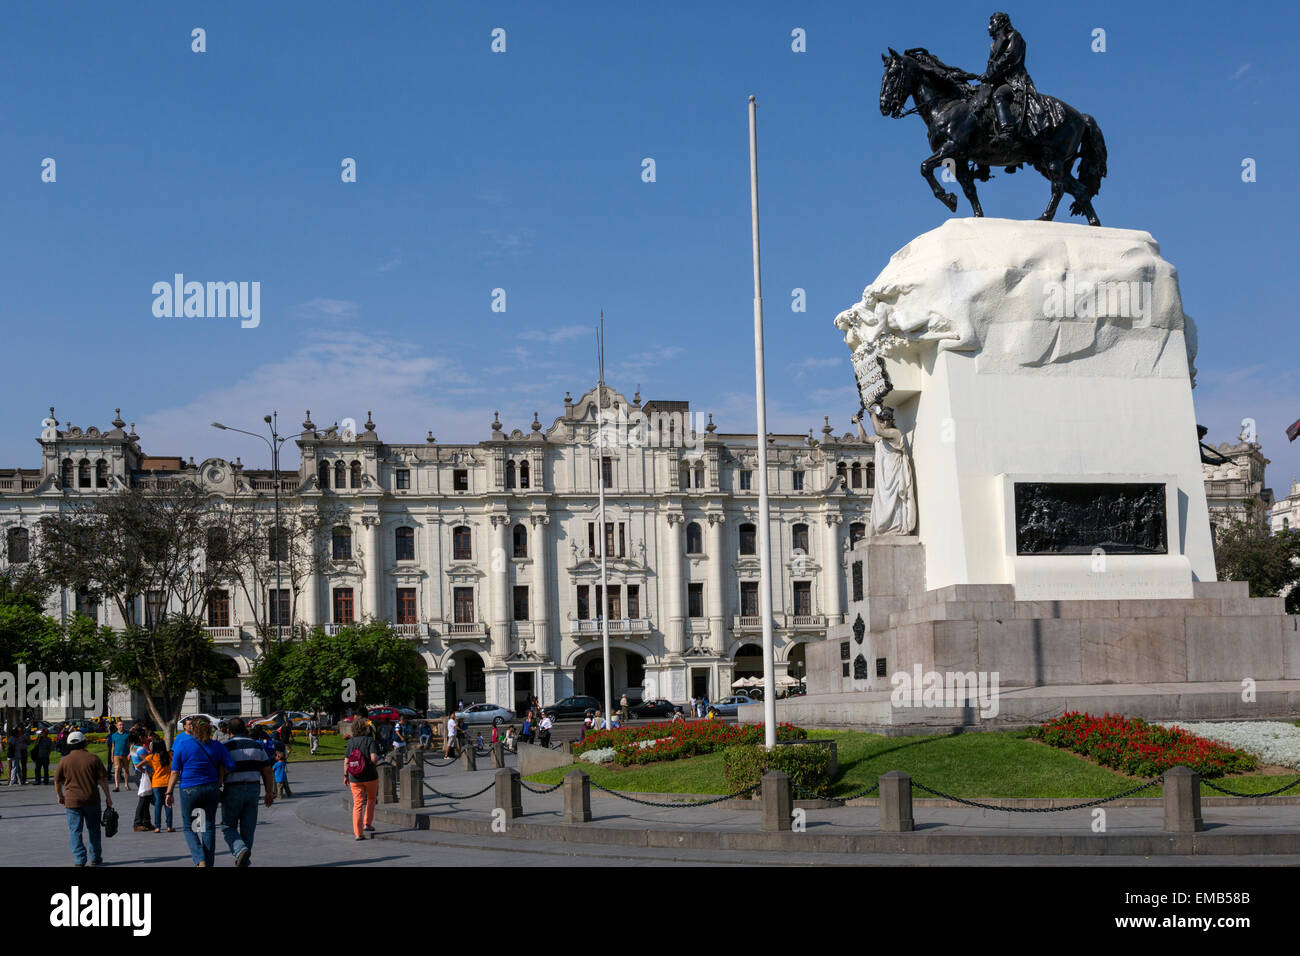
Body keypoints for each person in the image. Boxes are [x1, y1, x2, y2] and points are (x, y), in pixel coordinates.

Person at [167, 718, 235, 867]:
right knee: (207, 826)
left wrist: (168, 793)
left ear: (193, 729)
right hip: (211, 789)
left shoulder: (183, 745)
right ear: (210, 729)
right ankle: (208, 863)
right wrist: (220, 775)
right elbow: (230, 765)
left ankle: (200, 859)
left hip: (189, 789)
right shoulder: (217, 746)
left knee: (188, 826)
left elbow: (174, 772)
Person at [220, 718, 275, 866]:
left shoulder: (226, 747)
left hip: (233, 788)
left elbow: (220, 770)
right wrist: (269, 792)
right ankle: (243, 860)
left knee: (228, 826)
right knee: (248, 828)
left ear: (228, 731)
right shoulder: (257, 746)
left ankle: (240, 850)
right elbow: (268, 770)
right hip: (253, 789)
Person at [55, 731, 113, 866]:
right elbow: (102, 780)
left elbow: (57, 781)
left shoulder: (64, 760)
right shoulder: (93, 758)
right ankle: (95, 857)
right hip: (92, 799)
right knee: (94, 830)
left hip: (72, 801)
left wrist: (60, 795)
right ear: (84, 742)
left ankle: (79, 859)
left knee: (75, 831)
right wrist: (108, 797)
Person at [344, 717, 380, 840]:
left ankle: (358, 833)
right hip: (370, 776)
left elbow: (346, 761)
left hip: (355, 777)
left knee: (357, 804)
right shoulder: (370, 741)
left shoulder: (350, 742)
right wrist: (375, 762)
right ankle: (367, 824)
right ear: (365, 728)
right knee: (371, 799)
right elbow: (374, 758)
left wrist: (345, 776)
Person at [145, 738, 173, 832]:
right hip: (168, 783)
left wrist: (149, 773)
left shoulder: (152, 757)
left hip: (156, 783)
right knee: (168, 804)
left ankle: (157, 827)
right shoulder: (169, 755)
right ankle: (169, 826)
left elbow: (138, 765)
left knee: (158, 805)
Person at [130, 731, 153, 831]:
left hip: (138, 774)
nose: (146, 738)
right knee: (144, 799)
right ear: (140, 737)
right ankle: (137, 822)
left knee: (146, 798)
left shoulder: (133, 747)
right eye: (144, 737)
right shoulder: (140, 749)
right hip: (144, 774)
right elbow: (148, 761)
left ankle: (146, 822)